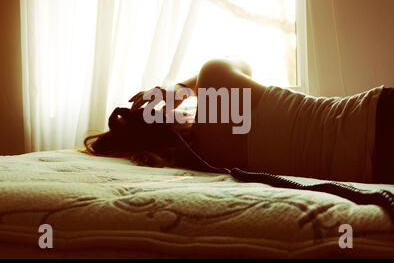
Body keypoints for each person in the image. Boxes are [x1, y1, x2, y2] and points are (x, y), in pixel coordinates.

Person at [84, 56, 394, 184]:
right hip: (372, 118)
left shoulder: (206, 162)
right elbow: (243, 62)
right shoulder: (212, 78)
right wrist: (177, 88)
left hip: (370, 169)